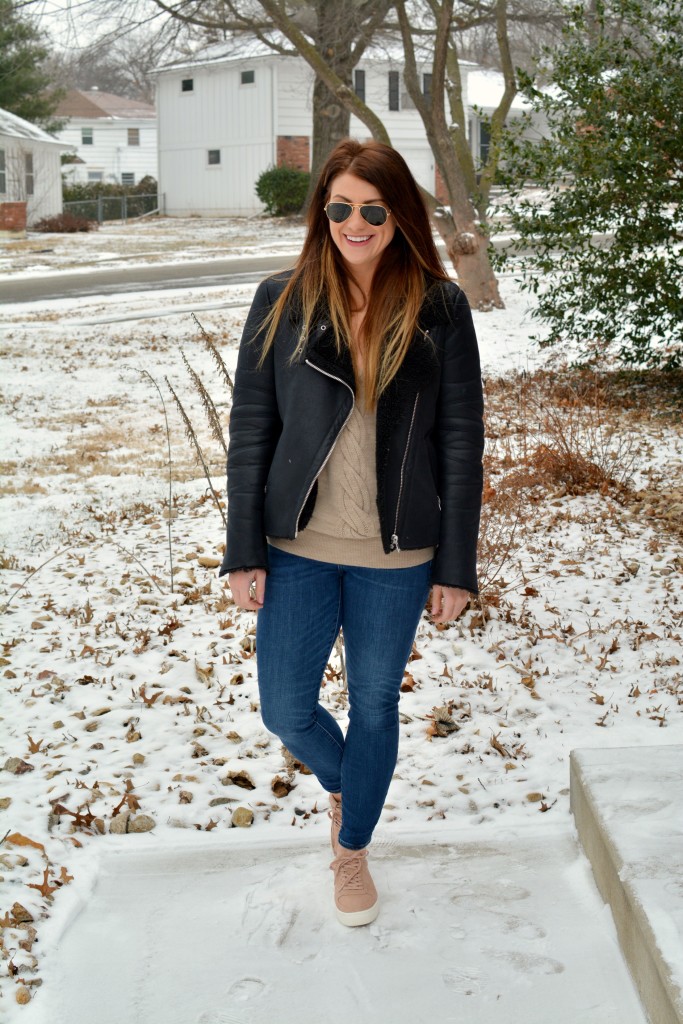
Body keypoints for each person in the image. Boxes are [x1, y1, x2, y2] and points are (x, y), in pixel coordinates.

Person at [219, 138, 484, 928]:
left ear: (398, 214)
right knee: (285, 711)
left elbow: (461, 440)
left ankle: (352, 845)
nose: (354, 222)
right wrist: (242, 551)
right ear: (320, 213)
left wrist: (456, 566)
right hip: (295, 548)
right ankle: (352, 785)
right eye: (338, 207)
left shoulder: (439, 308)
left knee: (374, 706)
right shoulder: (282, 299)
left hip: (396, 556)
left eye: (372, 208)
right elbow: (251, 429)